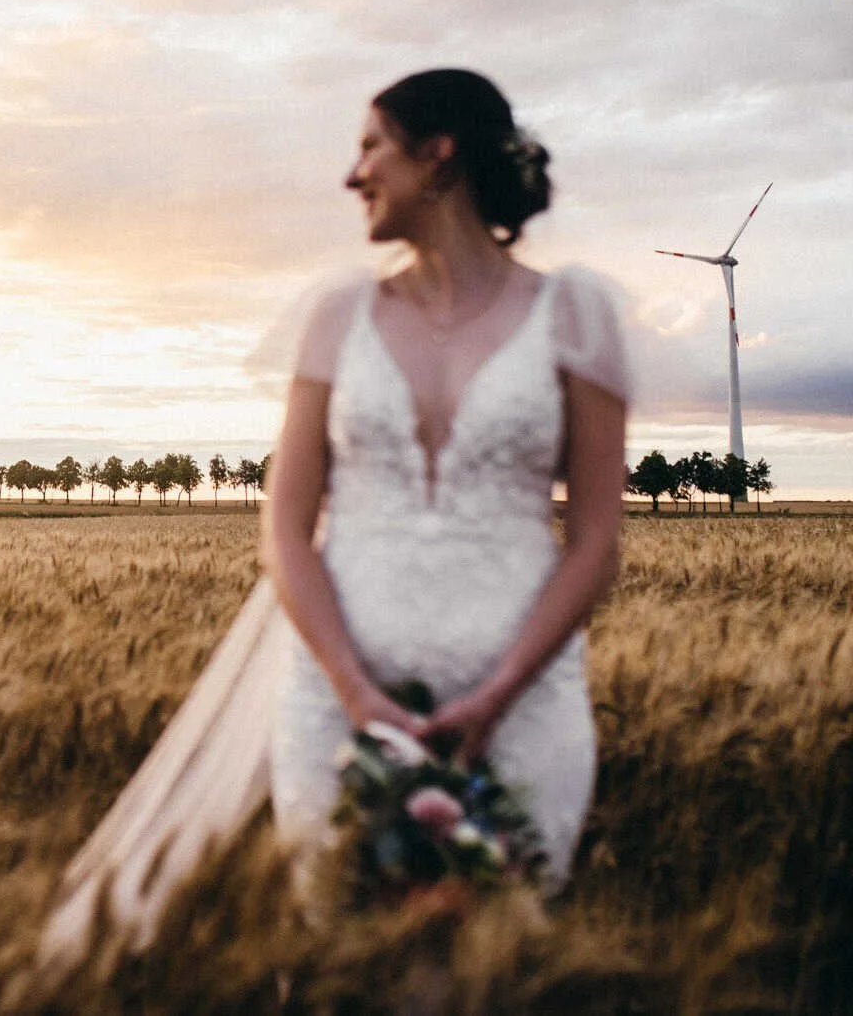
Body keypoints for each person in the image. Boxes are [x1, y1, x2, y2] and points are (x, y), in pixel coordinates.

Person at [35, 68, 631, 967]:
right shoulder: (336, 314)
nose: (351, 175)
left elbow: (594, 539)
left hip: (521, 712)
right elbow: (285, 530)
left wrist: (497, 694)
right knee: (350, 958)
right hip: (338, 706)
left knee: (495, 970)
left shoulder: (575, 314)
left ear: (439, 155)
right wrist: (358, 694)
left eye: (369, 146)